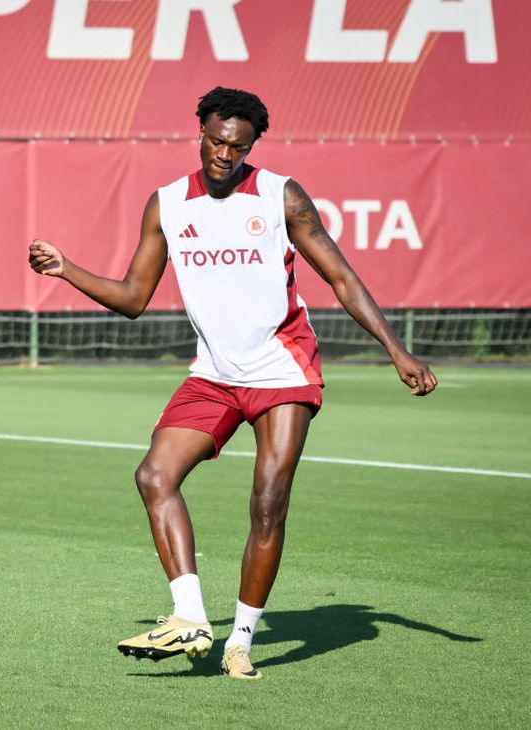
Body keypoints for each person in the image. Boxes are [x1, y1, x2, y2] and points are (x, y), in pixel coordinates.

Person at [28, 87, 436, 680]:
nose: (224, 154)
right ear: (200, 132)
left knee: (267, 503)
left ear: (252, 145)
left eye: (238, 147)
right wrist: (68, 270)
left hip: (281, 370)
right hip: (214, 374)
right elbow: (133, 298)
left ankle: (240, 643)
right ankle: (190, 617)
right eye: (217, 141)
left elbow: (343, 279)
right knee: (154, 476)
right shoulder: (168, 204)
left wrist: (395, 350)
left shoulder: (280, 195)